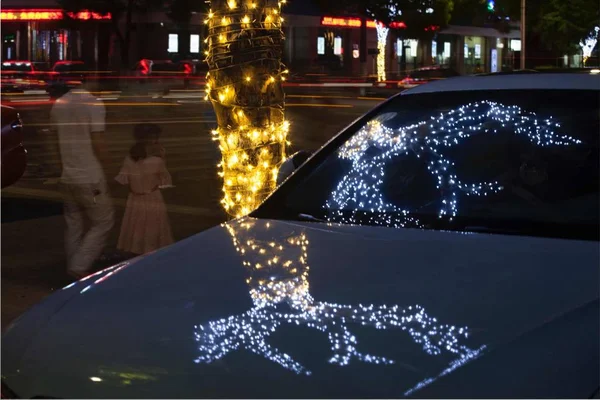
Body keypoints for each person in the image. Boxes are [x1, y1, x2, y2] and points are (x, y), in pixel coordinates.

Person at [50, 81, 114, 279]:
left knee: (73, 222)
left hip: (67, 176)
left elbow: (54, 142)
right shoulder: (93, 103)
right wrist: (110, 169)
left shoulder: (59, 103)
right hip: (90, 177)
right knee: (103, 221)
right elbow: (98, 141)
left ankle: (73, 262)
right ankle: (79, 265)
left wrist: (61, 169)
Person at [115, 123, 174, 255]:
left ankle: (136, 250)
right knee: (153, 227)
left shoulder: (128, 159)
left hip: (134, 198)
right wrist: (164, 158)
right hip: (152, 197)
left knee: (136, 226)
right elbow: (165, 181)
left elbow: (123, 179)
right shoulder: (156, 161)